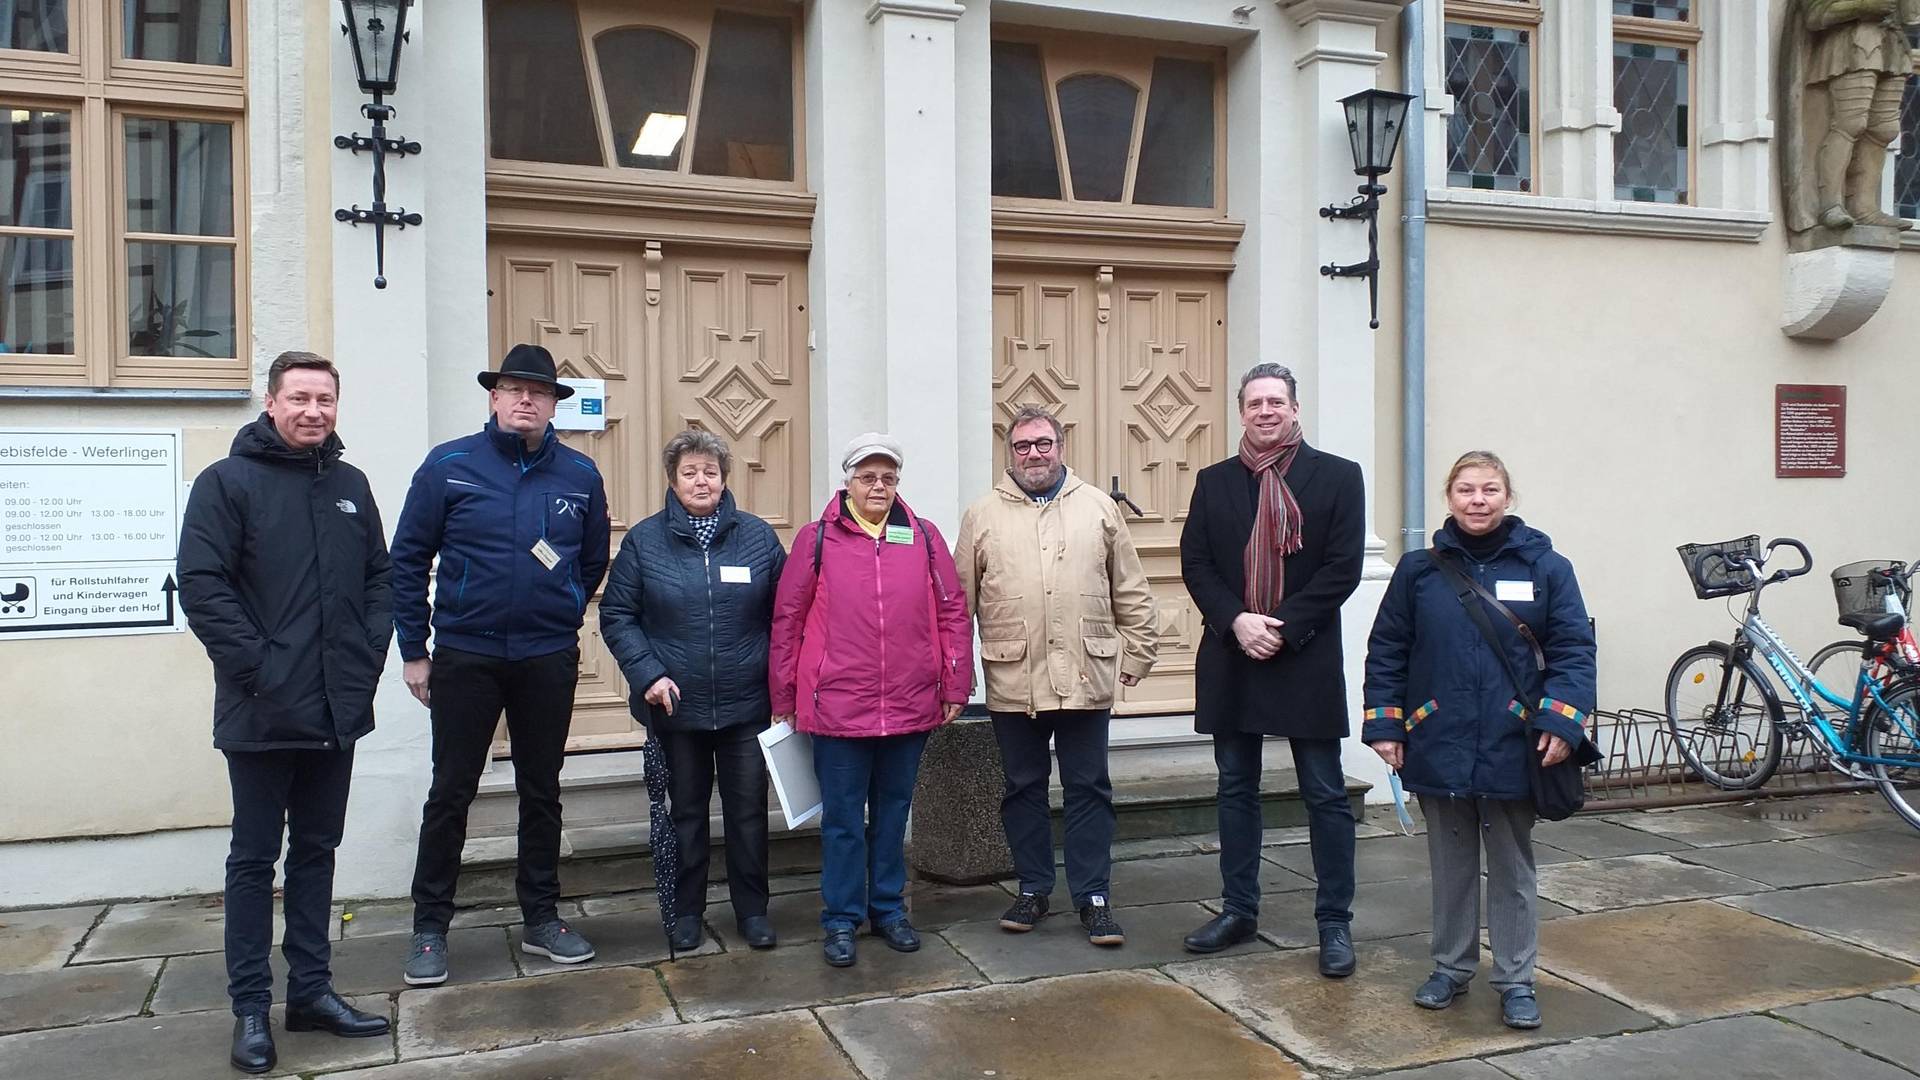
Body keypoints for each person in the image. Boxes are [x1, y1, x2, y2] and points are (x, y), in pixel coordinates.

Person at [178, 351, 393, 1074]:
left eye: (325, 399)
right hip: (262, 710)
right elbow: (203, 586)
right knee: (252, 859)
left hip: (336, 708)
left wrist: (365, 662)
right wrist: (262, 670)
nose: (313, 411)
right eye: (299, 397)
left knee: (316, 853)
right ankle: (250, 1009)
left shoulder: (351, 486)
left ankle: (311, 992)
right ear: (271, 403)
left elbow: (380, 579)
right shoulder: (227, 484)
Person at [390, 343, 611, 986]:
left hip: (545, 657)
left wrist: (565, 605)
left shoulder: (579, 476)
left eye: (538, 392)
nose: (525, 400)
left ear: (552, 405)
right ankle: (430, 928)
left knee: (541, 790)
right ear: (493, 397)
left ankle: (541, 918)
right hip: (467, 655)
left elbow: (591, 561)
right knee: (451, 791)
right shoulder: (449, 466)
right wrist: (414, 651)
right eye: (513, 389)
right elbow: (407, 561)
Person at [1362, 451, 1596, 1031]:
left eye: (1489, 489)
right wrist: (1387, 725)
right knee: (1452, 863)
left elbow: (1573, 649)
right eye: (1466, 489)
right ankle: (1450, 968)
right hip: (1438, 737)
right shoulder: (1419, 571)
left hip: (1514, 741)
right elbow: (1387, 650)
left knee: (1513, 868)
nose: (1477, 499)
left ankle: (1517, 980)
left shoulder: (1547, 567)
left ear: (1507, 497)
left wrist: (1561, 723)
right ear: (1449, 498)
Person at [1178, 363, 1365, 975]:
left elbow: (1342, 567)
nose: (1265, 411)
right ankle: (1239, 909)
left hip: (1303, 654)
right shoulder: (1213, 482)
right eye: (1255, 402)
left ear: (1295, 409)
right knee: (1236, 788)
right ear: (1240, 412)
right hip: (1234, 654)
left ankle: (1334, 924)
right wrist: (1237, 621)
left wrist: (1280, 626)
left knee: (1325, 793)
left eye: (1276, 402)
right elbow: (1197, 563)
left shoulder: (1338, 476)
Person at [954, 405, 1157, 946]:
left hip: (1085, 673)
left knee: (1089, 788)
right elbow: (958, 603)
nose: (1034, 454)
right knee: (1022, 788)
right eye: (1023, 446)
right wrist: (953, 674)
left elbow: (1130, 587)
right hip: (1012, 676)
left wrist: (1139, 653)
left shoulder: (1098, 509)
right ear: (1010, 453)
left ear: (1061, 447)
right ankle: (1033, 887)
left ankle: (1094, 897)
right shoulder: (982, 515)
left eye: (1043, 444)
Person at [769, 433, 973, 968]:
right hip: (838, 705)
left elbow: (953, 612)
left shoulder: (923, 537)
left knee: (892, 813)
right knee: (841, 820)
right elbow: (788, 619)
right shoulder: (817, 539)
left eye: (887, 477)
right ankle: (840, 919)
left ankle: (888, 910)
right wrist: (784, 693)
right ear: (848, 483)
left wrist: (956, 683)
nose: (877, 486)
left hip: (908, 703)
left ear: (897, 484)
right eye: (867, 477)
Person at [600, 430, 787, 953]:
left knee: (748, 813)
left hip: (746, 706)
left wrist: (780, 685)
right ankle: (687, 911)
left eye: (710, 471)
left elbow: (789, 615)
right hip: (675, 707)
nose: (700, 480)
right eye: (690, 472)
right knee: (686, 813)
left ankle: (753, 911)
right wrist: (648, 674)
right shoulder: (644, 541)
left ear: (725, 478)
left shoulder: (757, 538)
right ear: (673, 480)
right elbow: (617, 614)